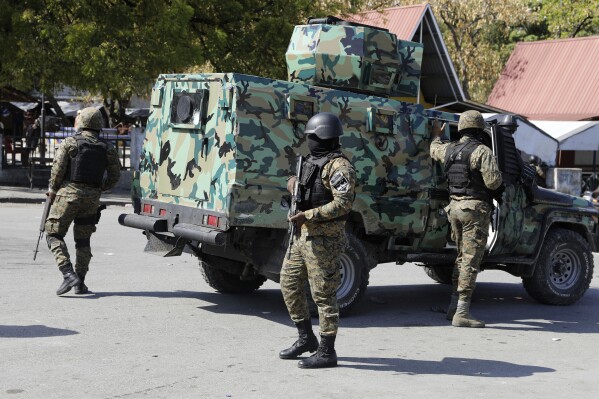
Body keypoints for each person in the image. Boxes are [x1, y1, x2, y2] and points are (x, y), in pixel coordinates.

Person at [279, 112, 356, 368]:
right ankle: (305, 338)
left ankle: (326, 351)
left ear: (323, 136)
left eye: (312, 137)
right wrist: (293, 183)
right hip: (301, 237)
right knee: (288, 284)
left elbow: (343, 204)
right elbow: (307, 189)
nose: (309, 141)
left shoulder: (340, 166)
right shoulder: (312, 161)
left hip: (324, 240)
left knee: (323, 295)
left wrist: (308, 215)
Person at [430, 110, 503, 328]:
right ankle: (462, 312)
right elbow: (493, 182)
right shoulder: (481, 151)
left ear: (461, 127)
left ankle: (454, 307)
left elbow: (434, 149)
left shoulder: (449, 149)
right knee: (471, 260)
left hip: (455, 208)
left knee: (461, 257)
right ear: (480, 129)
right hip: (474, 210)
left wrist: (436, 135)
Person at [45, 107, 121, 295]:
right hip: (92, 198)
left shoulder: (71, 143)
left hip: (68, 196)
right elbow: (115, 176)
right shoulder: (107, 148)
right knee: (83, 240)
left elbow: (57, 170)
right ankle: (80, 282)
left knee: (53, 234)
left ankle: (68, 274)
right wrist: (99, 188)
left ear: (82, 122)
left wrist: (53, 190)